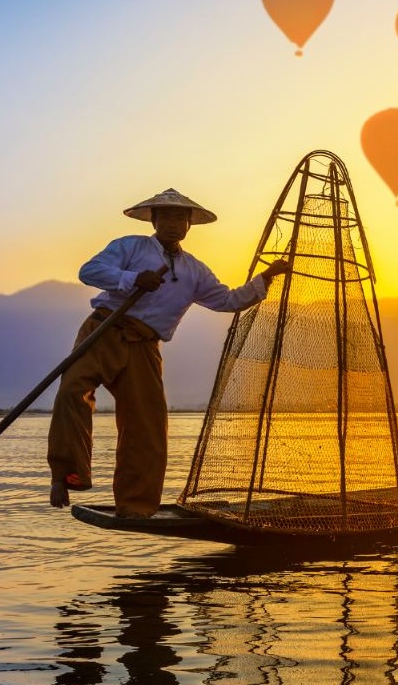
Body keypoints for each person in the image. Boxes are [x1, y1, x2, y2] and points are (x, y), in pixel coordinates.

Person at [48, 188, 288, 517]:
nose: (173, 224)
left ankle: (135, 506)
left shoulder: (195, 270)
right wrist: (132, 278)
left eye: (180, 218)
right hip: (105, 329)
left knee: (147, 425)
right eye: (166, 217)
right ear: (154, 221)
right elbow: (89, 271)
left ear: (189, 224)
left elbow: (227, 300)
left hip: (145, 345)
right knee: (72, 392)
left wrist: (266, 278)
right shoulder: (130, 246)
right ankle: (67, 476)